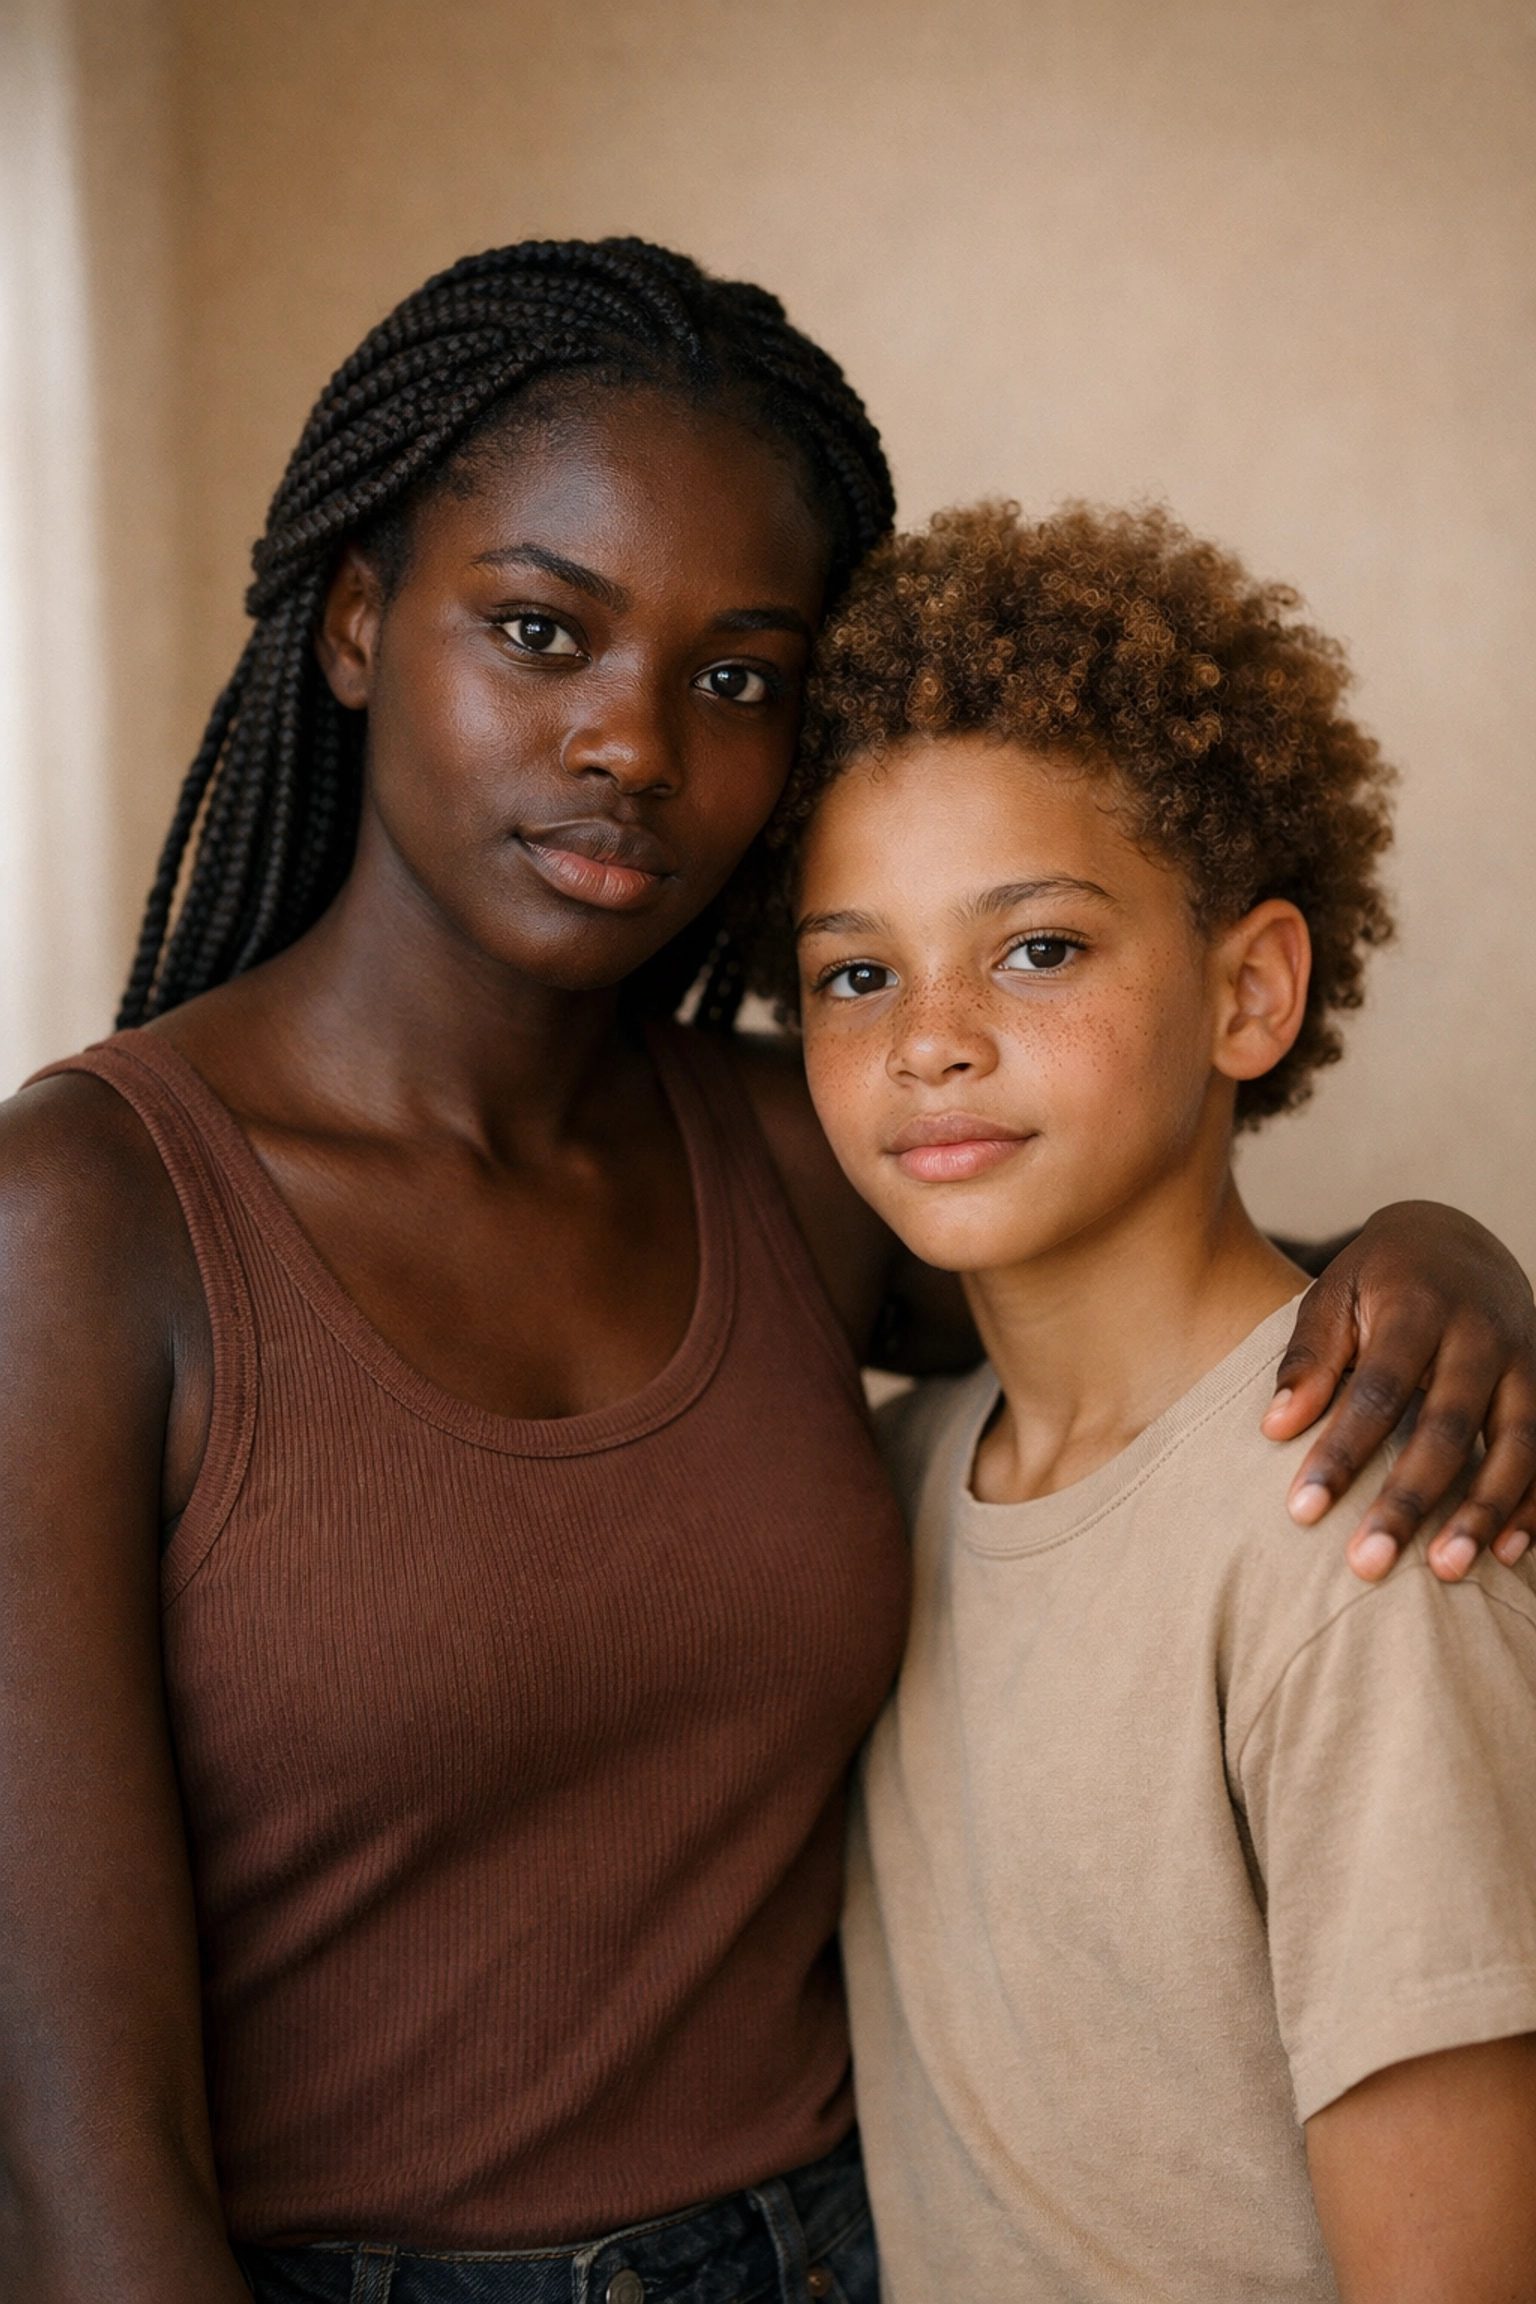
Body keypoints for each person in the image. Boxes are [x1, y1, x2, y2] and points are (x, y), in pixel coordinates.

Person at [0, 244, 1530, 2304]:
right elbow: (73, 2154)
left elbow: (1154, 1334)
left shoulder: (805, 1154)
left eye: (736, 678)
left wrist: (1453, 1260)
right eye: (541, 631)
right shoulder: (79, 1227)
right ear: (358, 618)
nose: (630, 742)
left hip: (846, 2258)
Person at [780, 501, 1536, 2302]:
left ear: (1249, 990)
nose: (929, 1039)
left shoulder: (1359, 1533)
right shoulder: (875, 1486)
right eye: (855, 973)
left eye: (1036, 948)